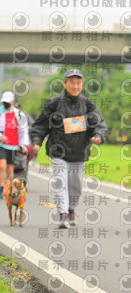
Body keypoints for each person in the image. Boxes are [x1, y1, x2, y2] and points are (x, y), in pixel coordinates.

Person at [31, 69, 107, 228]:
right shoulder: (54, 103)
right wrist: (37, 141)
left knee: (75, 185)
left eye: (78, 83)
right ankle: (63, 214)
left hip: (79, 152)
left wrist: (98, 135)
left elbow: (99, 123)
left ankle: (71, 209)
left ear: (82, 85)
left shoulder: (87, 104)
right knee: (61, 183)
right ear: (64, 84)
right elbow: (40, 125)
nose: (75, 86)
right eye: (72, 82)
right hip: (58, 152)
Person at [0, 91, 30, 199]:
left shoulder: (19, 114)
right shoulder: (0, 112)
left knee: (10, 168)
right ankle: (1, 188)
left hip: (13, 146)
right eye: (4, 101)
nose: (6, 104)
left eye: (8, 101)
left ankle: (8, 188)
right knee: (2, 165)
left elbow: (23, 131)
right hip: (2, 145)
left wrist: (23, 145)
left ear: (12, 101)